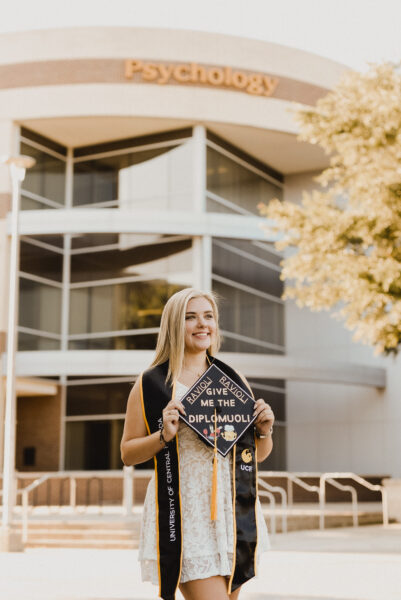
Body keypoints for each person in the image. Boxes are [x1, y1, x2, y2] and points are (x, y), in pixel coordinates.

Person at [121, 288, 275, 600]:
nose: (201, 324)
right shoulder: (152, 383)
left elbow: (254, 456)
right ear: (174, 325)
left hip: (232, 513)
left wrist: (264, 432)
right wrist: (163, 434)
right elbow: (127, 452)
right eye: (190, 317)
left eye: (208, 316)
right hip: (184, 511)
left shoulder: (231, 379)